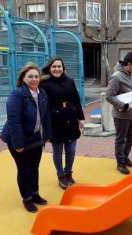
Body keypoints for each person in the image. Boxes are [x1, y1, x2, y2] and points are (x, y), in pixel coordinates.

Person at [0, 62, 52, 212]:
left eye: (36, 76)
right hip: (17, 138)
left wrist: (47, 135)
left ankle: (35, 194)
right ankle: (27, 198)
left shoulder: (41, 93)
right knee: (24, 169)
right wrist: (18, 144)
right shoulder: (17, 94)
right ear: (23, 78)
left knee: (34, 167)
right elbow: (14, 120)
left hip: (35, 138)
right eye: (30, 76)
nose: (34, 79)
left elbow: (46, 115)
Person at [39, 57, 85, 190]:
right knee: (58, 151)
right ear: (49, 68)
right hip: (56, 122)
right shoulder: (45, 84)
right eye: (54, 67)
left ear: (63, 68)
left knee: (71, 150)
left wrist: (81, 118)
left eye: (59, 66)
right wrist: (57, 111)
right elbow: (44, 105)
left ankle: (68, 172)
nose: (57, 69)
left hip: (71, 121)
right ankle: (61, 175)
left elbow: (76, 99)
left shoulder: (69, 81)